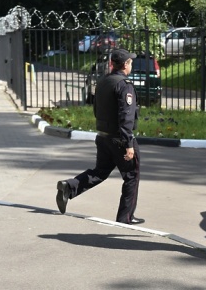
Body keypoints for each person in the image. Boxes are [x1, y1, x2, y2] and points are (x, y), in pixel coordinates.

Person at [55, 48, 144, 225]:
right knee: (132, 176)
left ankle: (69, 187)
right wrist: (128, 144)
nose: (131, 65)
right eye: (131, 62)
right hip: (120, 139)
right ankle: (125, 218)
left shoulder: (103, 81)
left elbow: (96, 109)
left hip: (103, 136)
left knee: (100, 172)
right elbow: (126, 117)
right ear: (125, 64)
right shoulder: (124, 85)